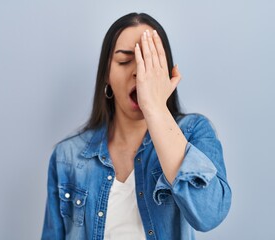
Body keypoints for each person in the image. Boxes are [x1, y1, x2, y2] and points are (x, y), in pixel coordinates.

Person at [41, 12, 232, 240]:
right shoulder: (68, 156)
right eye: (124, 61)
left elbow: (209, 215)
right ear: (106, 75)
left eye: (149, 62)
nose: (138, 72)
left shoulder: (194, 132)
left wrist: (156, 108)